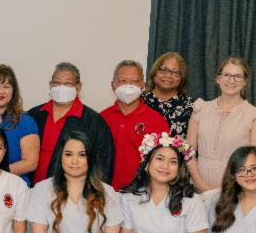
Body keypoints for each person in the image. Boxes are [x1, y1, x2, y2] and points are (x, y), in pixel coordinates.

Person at [186, 57, 256, 191]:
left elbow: (255, 161)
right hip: (199, 187)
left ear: (245, 82)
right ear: (218, 79)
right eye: (227, 75)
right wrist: (200, 184)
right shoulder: (200, 109)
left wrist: (229, 191)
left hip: (237, 189)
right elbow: (188, 152)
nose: (231, 80)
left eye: (237, 76)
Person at [26, 62, 114, 184]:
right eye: (57, 83)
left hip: (72, 194)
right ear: (50, 85)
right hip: (32, 191)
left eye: (68, 83)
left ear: (78, 88)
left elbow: (104, 165)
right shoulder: (33, 115)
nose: (61, 87)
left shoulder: (94, 122)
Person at [100, 60, 170, 189]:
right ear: (113, 85)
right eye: (122, 81)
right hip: (106, 191)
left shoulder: (157, 120)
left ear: (142, 86)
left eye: (134, 81)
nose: (128, 86)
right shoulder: (101, 119)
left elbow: (164, 161)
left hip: (142, 193)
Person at [0, 63, 39, 185]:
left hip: (15, 187)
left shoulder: (25, 121)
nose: (1, 91)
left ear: (13, 91)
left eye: (6, 86)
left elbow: (30, 163)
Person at [143, 52, 192, 136]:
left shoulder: (190, 106)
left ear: (182, 78)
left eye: (175, 72)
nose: (168, 75)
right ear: (154, 73)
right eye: (163, 70)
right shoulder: (139, 102)